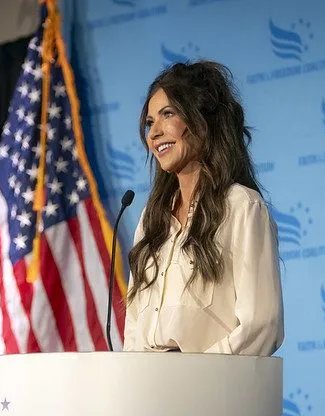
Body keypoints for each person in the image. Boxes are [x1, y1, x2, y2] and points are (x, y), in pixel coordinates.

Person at [122, 60, 284, 356]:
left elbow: (262, 325)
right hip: (149, 392)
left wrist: (197, 376)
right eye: (149, 122)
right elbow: (134, 328)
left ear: (200, 122)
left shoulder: (242, 207)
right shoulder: (151, 219)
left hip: (210, 392)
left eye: (167, 114)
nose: (153, 133)